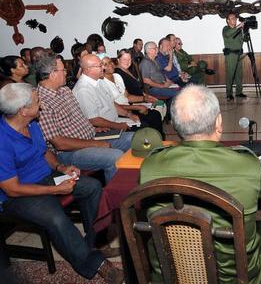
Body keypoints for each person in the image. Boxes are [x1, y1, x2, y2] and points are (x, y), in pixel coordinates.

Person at [140, 85, 261, 284]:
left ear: (175, 124)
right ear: (219, 122)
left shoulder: (150, 166)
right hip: (233, 278)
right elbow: (259, 195)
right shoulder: (247, 165)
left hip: (170, 276)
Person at [0, 83, 123, 283]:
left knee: (93, 187)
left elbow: (44, 151)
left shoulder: (31, 124)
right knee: (56, 219)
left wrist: (60, 168)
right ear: (23, 110)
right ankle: (94, 263)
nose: (41, 105)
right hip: (19, 194)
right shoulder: (2, 140)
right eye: (37, 101)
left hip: (47, 177)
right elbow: (12, 189)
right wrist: (55, 189)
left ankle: (92, 243)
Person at [36, 55, 133, 184]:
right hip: (69, 152)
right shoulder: (41, 101)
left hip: (91, 137)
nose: (66, 73)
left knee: (133, 138)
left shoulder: (64, 91)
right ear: (53, 74)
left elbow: (79, 118)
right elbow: (59, 143)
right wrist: (95, 144)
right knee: (115, 156)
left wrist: (94, 128)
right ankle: (116, 199)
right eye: (63, 70)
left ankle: (133, 184)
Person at [101, 56, 165, 139]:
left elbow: (127, 96)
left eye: (110, 62)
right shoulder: (101, 83)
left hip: (129, 107)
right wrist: (137, 107)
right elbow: (113, 106)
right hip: (119, 112)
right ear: (101, 67)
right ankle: (152, 143)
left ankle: (160, 141)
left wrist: (144, 98)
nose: (110, 65)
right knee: (146, 123)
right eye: (106, 64)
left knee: (155, 114)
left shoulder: (117, 76)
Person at [222, 13, 247, 101]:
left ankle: (239, 92)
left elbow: (244, 40)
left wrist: (245, 30)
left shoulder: (239, 30)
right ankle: (229, 94)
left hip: (239, 54)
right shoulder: (226, 29)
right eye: (232, 18)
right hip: (230, 55)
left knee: (239, 75)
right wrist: (238, 27)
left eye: (235, 18)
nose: (235, 19)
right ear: (228, 21)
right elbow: (228, 34)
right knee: (230, 75)